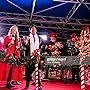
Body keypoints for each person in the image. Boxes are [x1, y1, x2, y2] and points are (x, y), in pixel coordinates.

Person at [24, 25, 40, 89]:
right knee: (28, 72)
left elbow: (40, 48)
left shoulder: (39, 38)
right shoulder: (27, 38)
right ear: (30, 30)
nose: (33, 30)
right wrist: (26, 42)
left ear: (36, 30)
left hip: (37, 57)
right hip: (29, 57)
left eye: (34, 29)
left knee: (37, 71)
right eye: (32, 29)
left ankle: (38, 85)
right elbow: (25, 47)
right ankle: (27, 85)